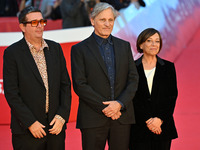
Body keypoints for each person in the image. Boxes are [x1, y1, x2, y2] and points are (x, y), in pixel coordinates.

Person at [71, 2, 139, 150]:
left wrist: (119, 104)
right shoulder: (79, 49)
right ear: (92, 20)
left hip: (121, 118)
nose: (107, 24)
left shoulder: (124, 46)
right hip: (93, 118)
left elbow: (133, 79)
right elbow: (79, 84)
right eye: (103, 20)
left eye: (111, 20)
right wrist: (107, 108)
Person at [3, 6, 71, 150]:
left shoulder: (55, 48)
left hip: (55, 128)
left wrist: (62, 117)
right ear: (22, 26)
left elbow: (65, 86)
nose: (40, 26)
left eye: (42, 21)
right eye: (34, 23)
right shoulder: (12, 53)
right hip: (27, 131)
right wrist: (30, 122)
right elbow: (11, 93)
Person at [129, 28, 178, 150]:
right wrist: (148, 120)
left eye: (157, 41)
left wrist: (159, 119)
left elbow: (171, 97)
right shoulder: (132, 68)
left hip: (162, 127)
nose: (154, 44)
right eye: (149, 41)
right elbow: (132, 97)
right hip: (139, 127)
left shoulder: (168, 67)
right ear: (141, 44)